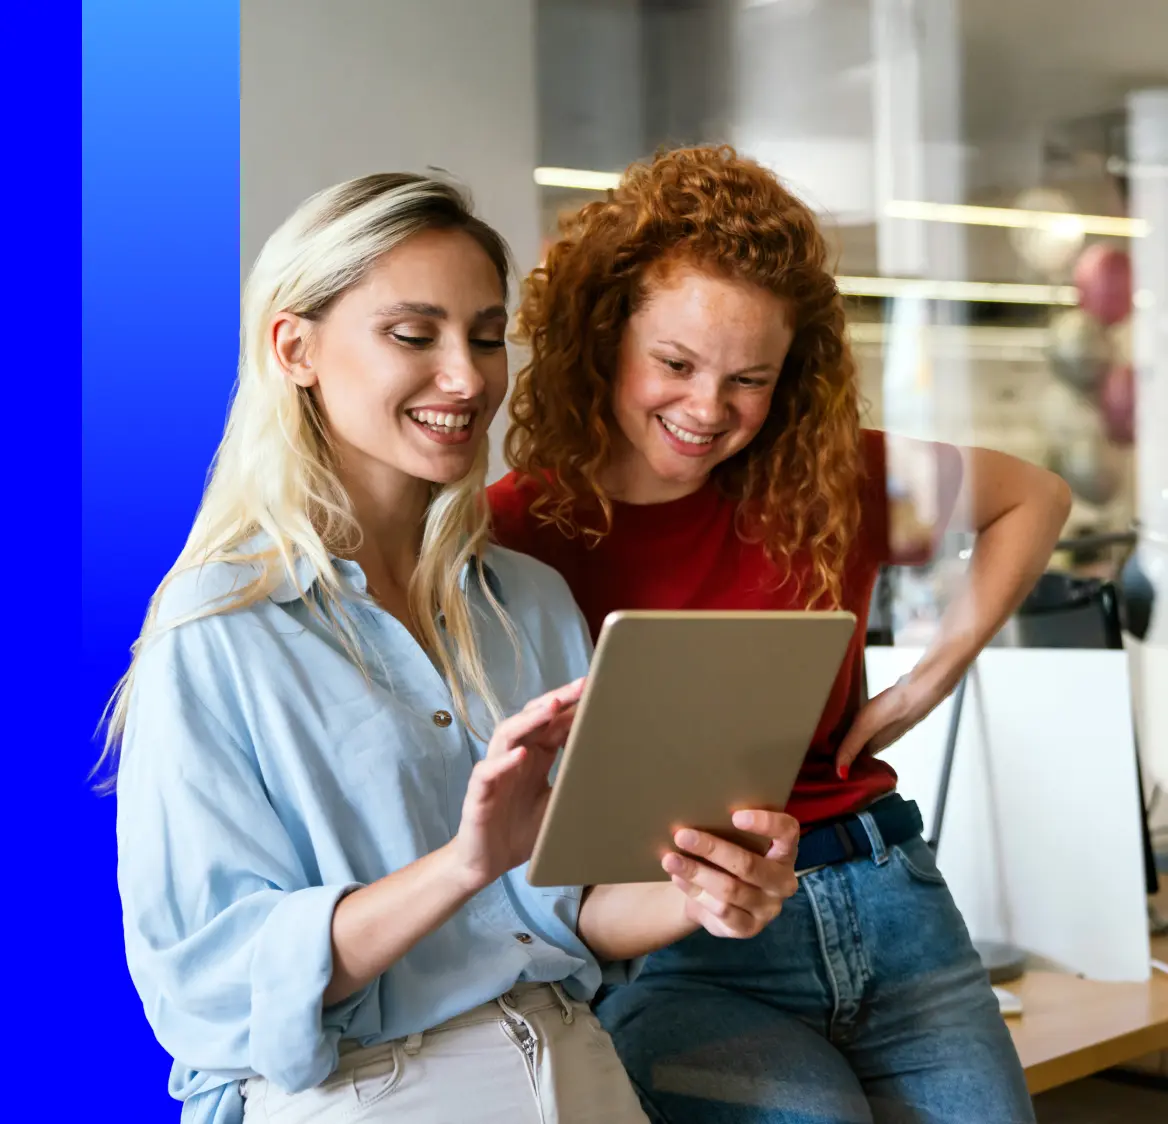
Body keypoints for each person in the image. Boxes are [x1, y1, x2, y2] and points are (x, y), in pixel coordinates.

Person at [104, 172, 804, 1124]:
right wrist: (463, 863)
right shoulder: (218, 629)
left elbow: (567, 907)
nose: (468, 377)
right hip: (372, 1093)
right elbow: (210, 984)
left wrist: (705, 894)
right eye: (412, 334)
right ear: (294, 346)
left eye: (483, 335)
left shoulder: (531, 600)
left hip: (577, 1071)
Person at [488, 146, 1072, 1124]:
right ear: (604, 332)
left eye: (748, 378)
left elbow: (1034, 498)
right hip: (688, 948)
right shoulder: (518, 529)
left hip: (894, 903)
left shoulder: (826, 477)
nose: (708, 409)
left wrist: (926, 677)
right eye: (674, 363)